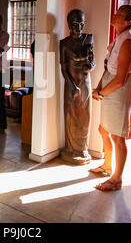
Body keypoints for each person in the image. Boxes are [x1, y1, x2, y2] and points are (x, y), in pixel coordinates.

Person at [90, 5, 131, 191]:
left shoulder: (128, 42)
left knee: (118, 137)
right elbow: (108, 68)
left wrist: (102, 93)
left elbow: (120, 79)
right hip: (110, 86)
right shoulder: (119, 39)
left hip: (119, 91)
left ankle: (116, 179)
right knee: (103, 130)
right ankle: (107, 166)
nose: (115, 15)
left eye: (119, 14)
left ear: (129, 22)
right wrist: (99, 86)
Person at [59, 9, 95, 165]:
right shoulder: (64, 43)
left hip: (86, 83)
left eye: (81, 24)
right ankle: (71, 149)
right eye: (75, 24)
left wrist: (90, 66)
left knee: (85, 117)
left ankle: (82, 148)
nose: (79, 28)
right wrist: (72, 85)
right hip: (71, 84)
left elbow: (93, 62)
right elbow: (64, 68)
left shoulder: (89, 39)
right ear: (69, 24)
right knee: (71, 116)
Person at [0, 14, 10, 132]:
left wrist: (2, 49)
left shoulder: (5, 35)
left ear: (1, 22)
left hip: (0, 72)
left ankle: (2, 124)